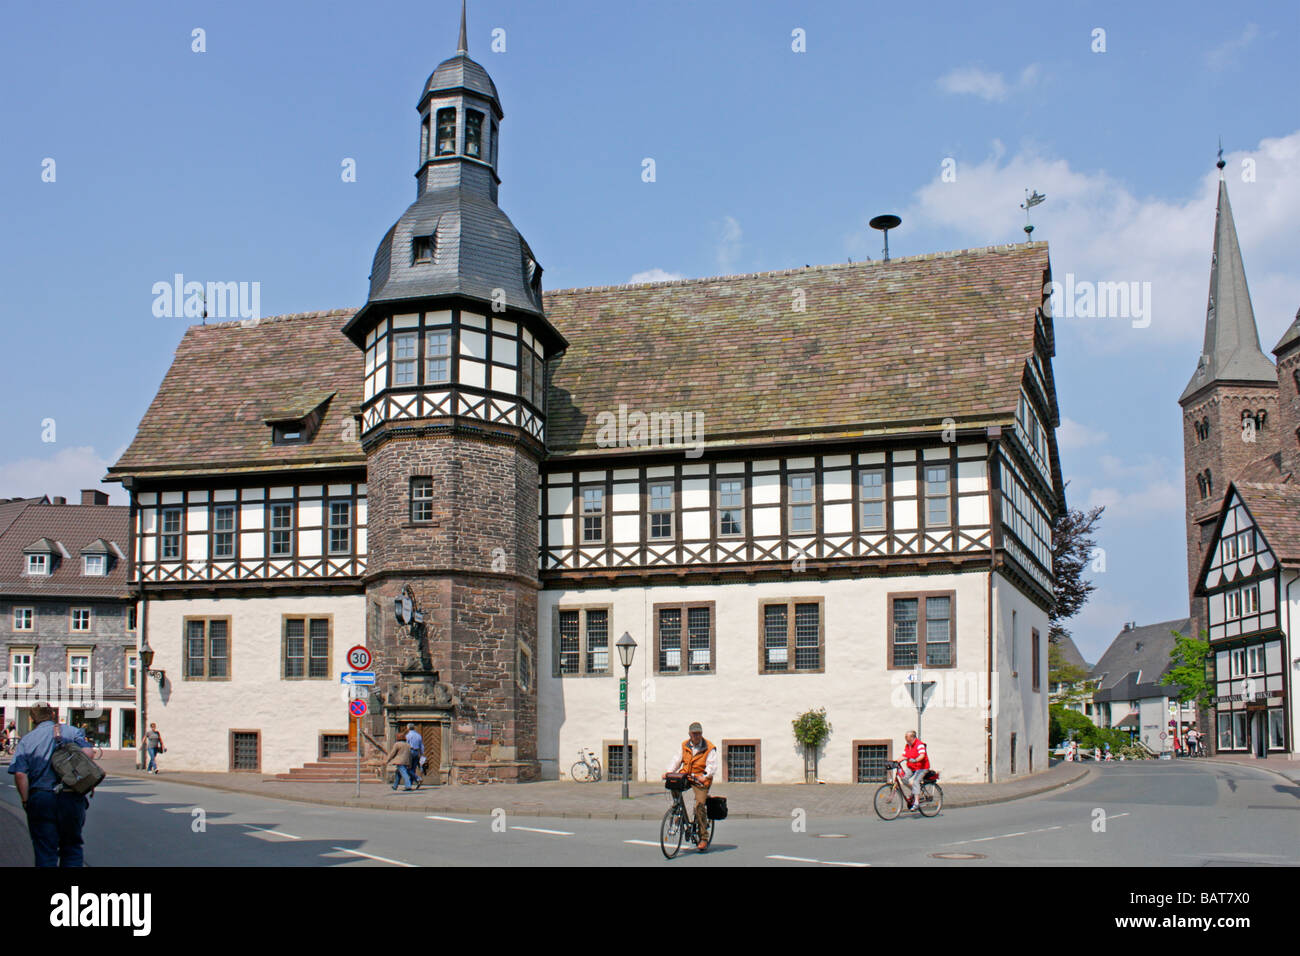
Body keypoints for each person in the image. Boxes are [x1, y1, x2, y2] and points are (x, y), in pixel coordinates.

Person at [7, 702, 93, 867]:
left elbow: (20, 774)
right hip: (71, 796)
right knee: (72, 847)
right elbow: (88, 753)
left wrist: (25, 801)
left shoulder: (27, 741)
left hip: (42, 797)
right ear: (53, 714)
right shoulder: (71, 731)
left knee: (45, 849)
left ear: (33, 719)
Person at [663, 722, 717, 850]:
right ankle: (677, 809)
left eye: (698, 733)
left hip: (700, 779)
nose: (696, 736)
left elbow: (712, 765)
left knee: (699, 805)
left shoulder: (709, 747)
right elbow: (676, 760)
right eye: (694, 734)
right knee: (673, 784)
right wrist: (668, 772)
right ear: (690, 734)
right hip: (686, 776)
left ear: (701, 734)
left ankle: (703, 837)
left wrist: (705, 775)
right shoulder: (684, 745)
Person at [900, 730, 929, 810]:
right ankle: (915, 790)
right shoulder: (907, 745)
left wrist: (916, 760)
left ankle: (916, 802)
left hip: (922, 767)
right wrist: (894, 762)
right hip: (912, 767)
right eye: (905, 736)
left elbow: (922, 755)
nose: (905, 738)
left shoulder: (919, 744)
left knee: (916, 781)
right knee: (903, 778)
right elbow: (903, 756)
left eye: (907, 736)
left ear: (912, 737)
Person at [405, 723, 423, 789]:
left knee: (407, 769)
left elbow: (406, 745)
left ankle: (417, 778)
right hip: (417, 752)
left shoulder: (408, 735)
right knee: (413, 769)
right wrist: (421, 754)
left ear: (408, 728)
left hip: (411, 752)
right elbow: (421, 746)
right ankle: (409, 785)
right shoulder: (418, 735)